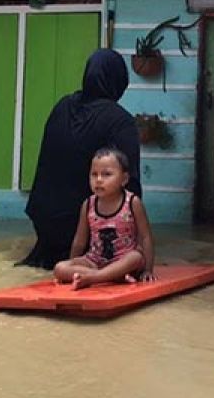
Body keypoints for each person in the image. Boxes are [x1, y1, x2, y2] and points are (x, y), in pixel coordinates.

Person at [20, 48, 142, 269]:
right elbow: (130, 183)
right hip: (87, 228)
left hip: (44, 220)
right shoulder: (120, 121)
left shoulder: (62, 106)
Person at [54, 147, 156, 289]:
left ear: (124, 179)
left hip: (123, 261)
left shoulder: (132, 202)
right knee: (59, 268)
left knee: (136, 257)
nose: (99, 180)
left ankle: (95, 277)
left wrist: (148, 270)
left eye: (107, 174)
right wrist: (73, 265)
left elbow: (145, 238)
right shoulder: (88, 204)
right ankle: (109, 276)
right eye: (94, 174)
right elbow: (79, 241)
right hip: (94, 261)